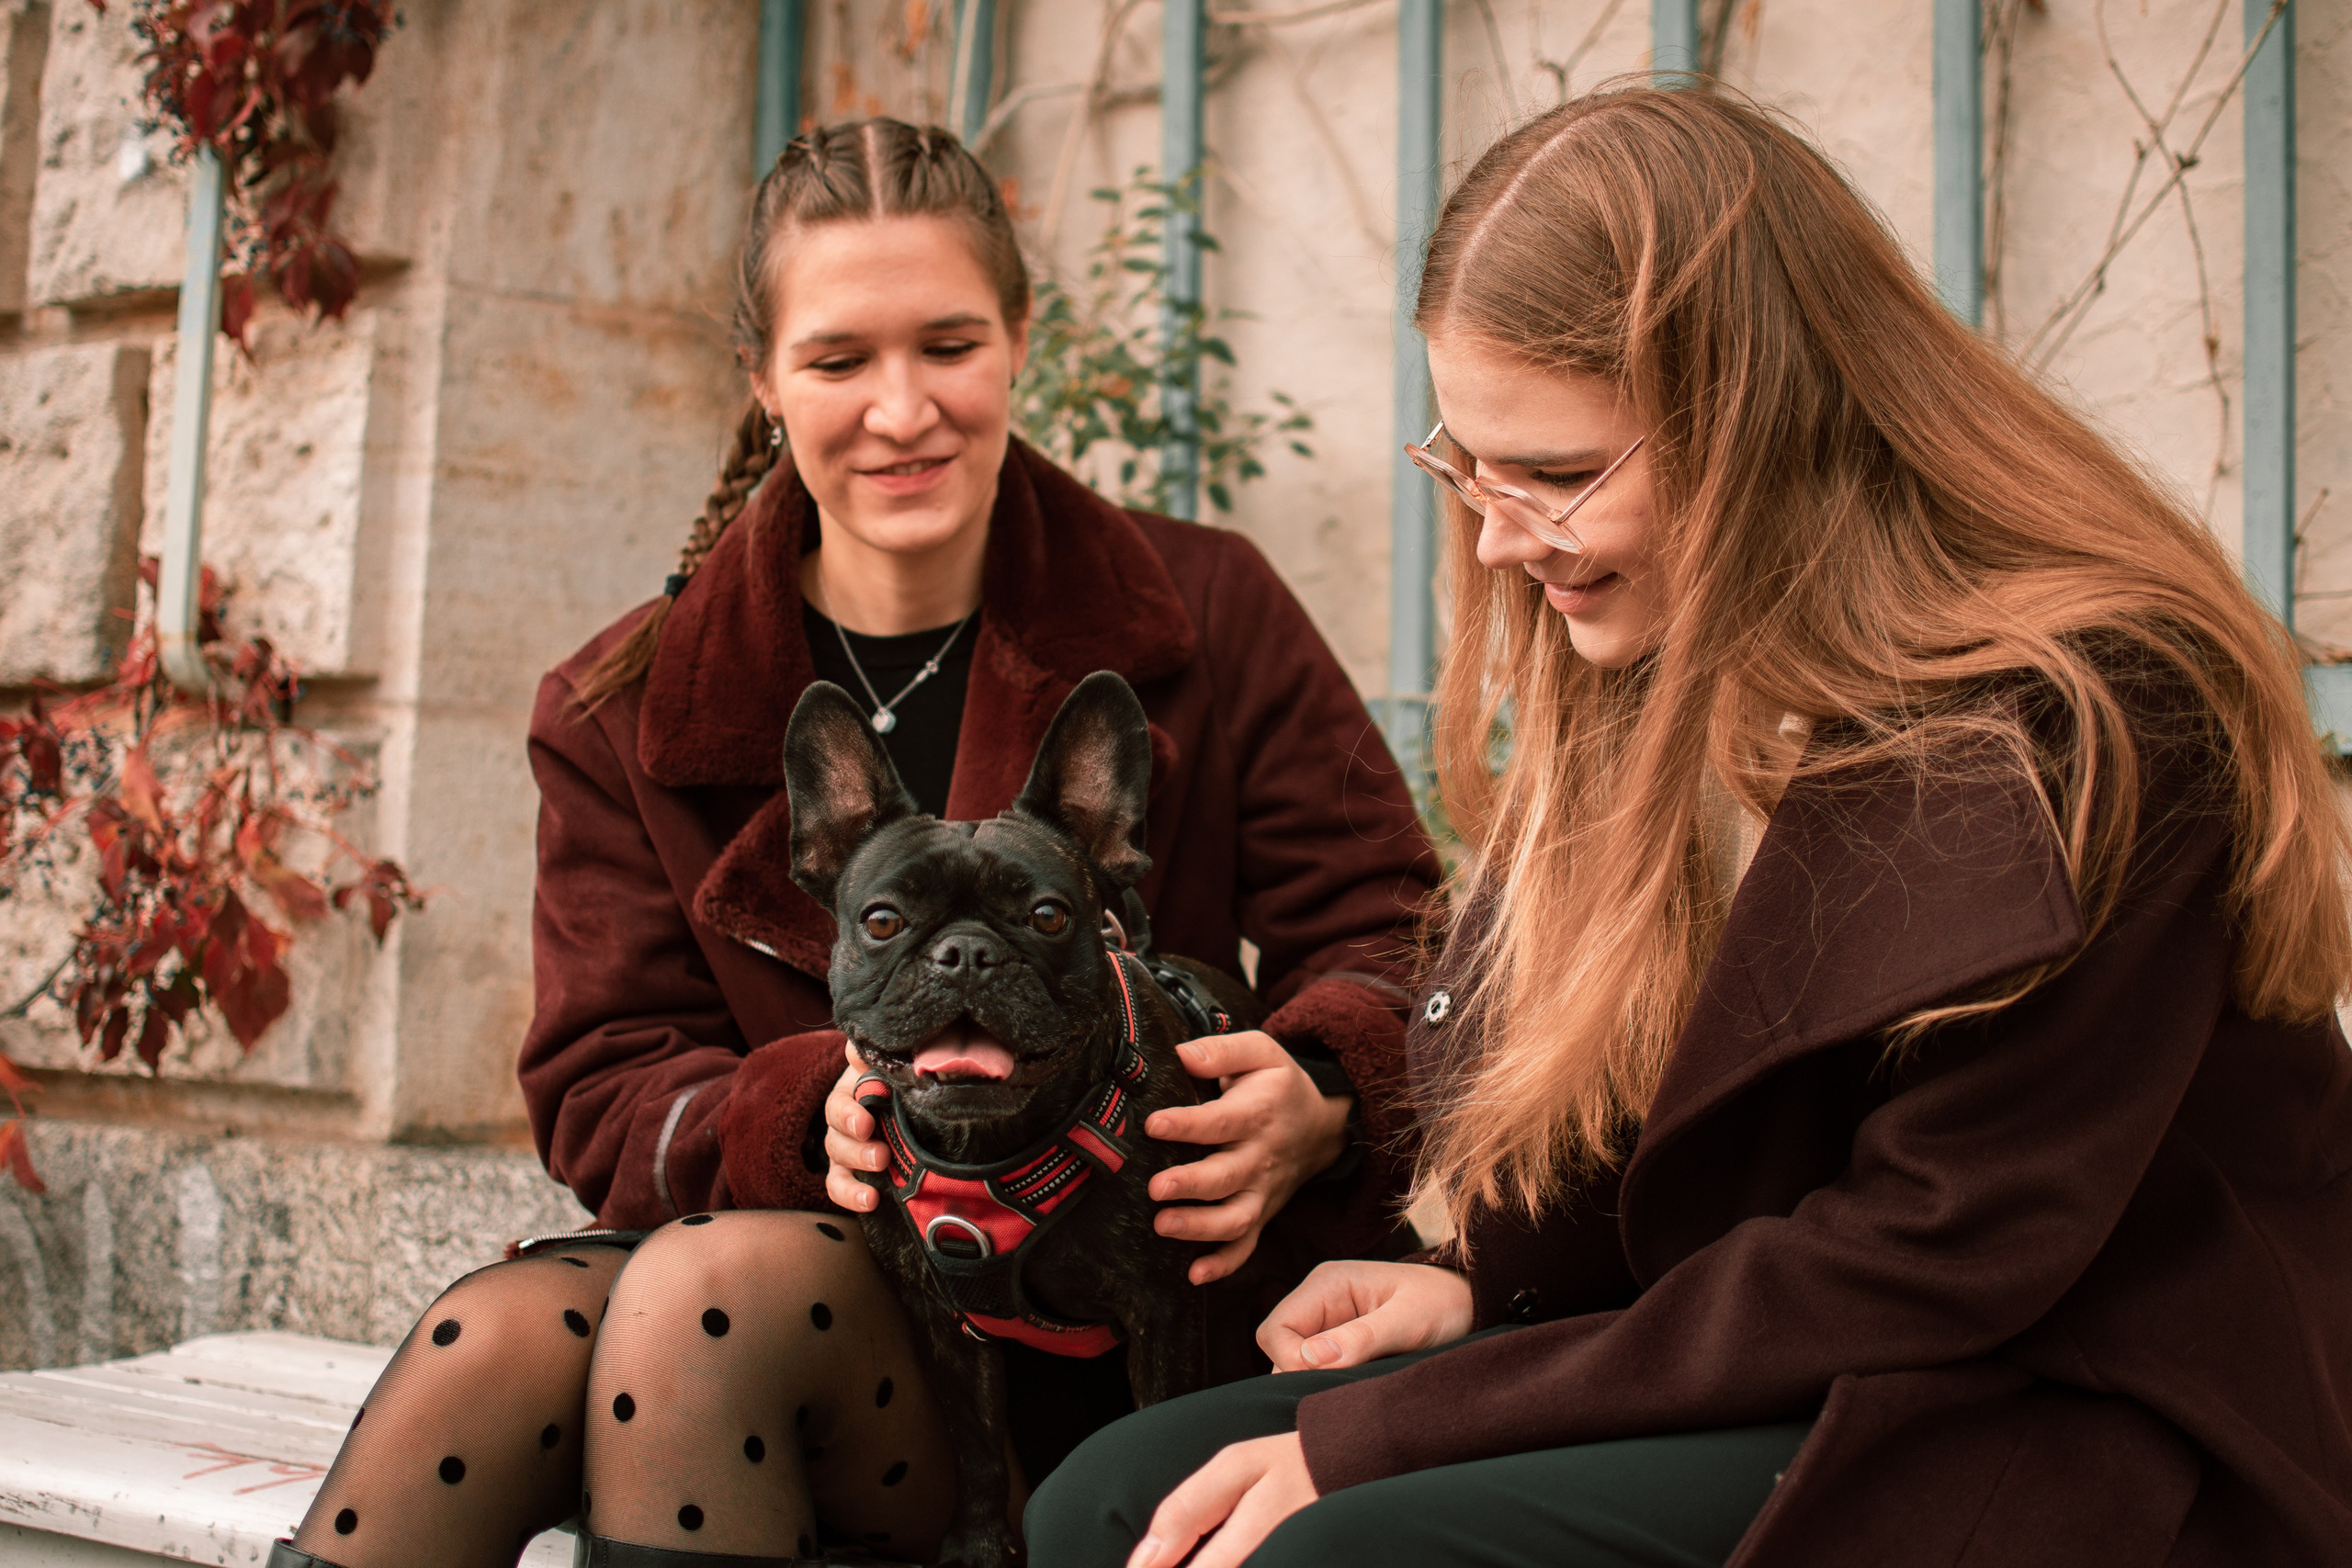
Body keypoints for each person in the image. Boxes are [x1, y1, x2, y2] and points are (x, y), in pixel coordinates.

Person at [1025, 84, 2352, 1568]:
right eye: (1468, 463)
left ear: (1759, 423)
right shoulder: (1658, 646)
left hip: (2069, 1394)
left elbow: (1935, 1255)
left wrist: (1405, 1429)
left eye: (1556, 475)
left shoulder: (2092, 708)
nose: (1497, 539)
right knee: (1104, 1501)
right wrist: (1482, 1296)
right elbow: (1669, 1129)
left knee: (1318, 1550)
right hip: (1778, 1334)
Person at [271, 119, 1438, 1568]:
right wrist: (790, 1116)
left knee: (687, 1309)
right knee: (496, 1338)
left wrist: (1322, 1086)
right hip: (838, 1313)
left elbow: (1396, 927)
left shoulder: (1207, 610)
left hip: (1132, 1318)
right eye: (838, 360)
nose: (902, 410)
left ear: (1020, 338)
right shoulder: (624, 706)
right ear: (762, 378)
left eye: (948, 346)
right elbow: (604, 1081)